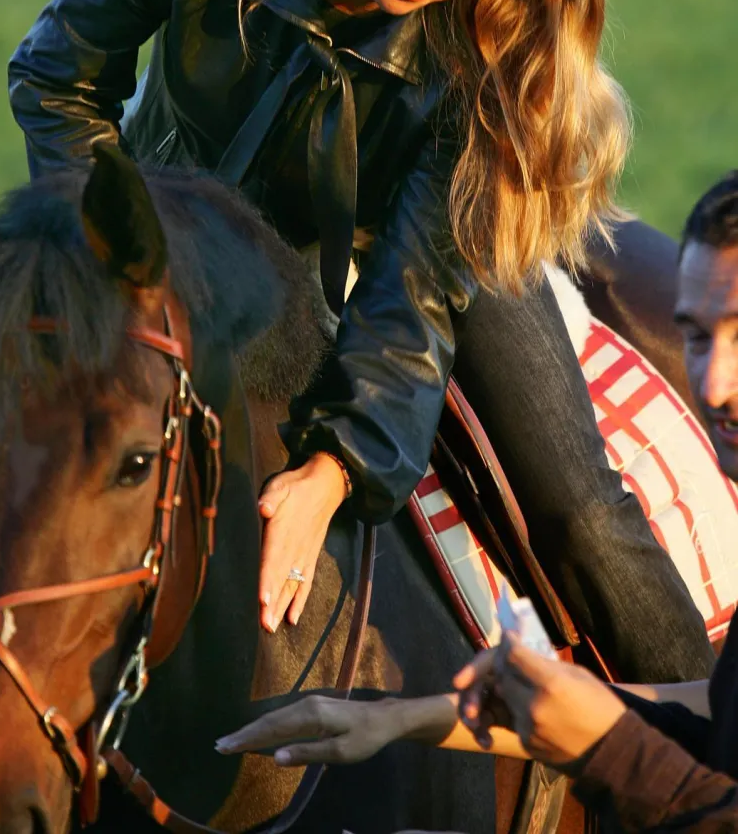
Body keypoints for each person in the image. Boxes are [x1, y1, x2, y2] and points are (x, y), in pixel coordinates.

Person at [8, 0, 711, 679]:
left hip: (427, 250)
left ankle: (699, 762)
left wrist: (334, 469)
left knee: (577, 506)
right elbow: (58, 70)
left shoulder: (472, 68)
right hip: (177, 238)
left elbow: (408, 300)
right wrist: (114, 241)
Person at [216, 170, 738, 832]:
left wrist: (339, 458)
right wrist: (390, 719)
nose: (714, 383)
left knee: (581, 516)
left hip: (446, 216)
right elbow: (715, 709)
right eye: (694, 336)